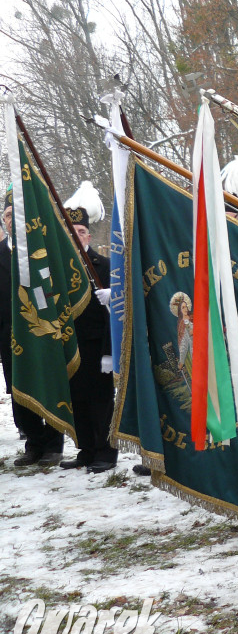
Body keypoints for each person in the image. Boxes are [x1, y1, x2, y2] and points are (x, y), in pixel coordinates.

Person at [2, 188, 64, 466]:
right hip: (9, 335)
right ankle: (33, 444)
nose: (10, 219)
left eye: (16, 214)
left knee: (47, 383)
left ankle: (53, 443)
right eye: (6, 215)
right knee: (19, 388)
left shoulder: (41, 251)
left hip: (42, 330)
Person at [60, 182, 118, 473]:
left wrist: (110, 352)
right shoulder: (59, 269)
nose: (77, 236)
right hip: (71, 344)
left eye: (81, 232)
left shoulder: (105, 265)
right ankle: (86, 449)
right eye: (72, 233)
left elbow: (116, 311)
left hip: (98, 344)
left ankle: (106, 452)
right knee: (77, 399)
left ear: (89, 236)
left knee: (100, 401)